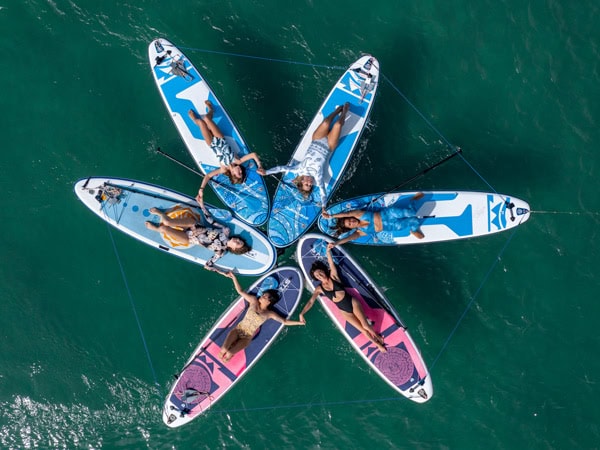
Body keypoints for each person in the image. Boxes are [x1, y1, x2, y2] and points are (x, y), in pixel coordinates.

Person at [259, 102, 350, 209]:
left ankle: (337, 111)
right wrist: (324, 206)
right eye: (310, 185)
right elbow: (323, 192)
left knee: (325, 123)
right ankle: (344, 112)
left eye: (307, 185)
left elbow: (281, 168)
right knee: (338, 125)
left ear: (302, 182)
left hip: (317, 139)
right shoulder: (318, 176)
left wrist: (266, 172)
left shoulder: (298, 170)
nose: (310, 183)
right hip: (329, 145)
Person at [298, 244, 386, 353]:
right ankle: (378, 344)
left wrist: (328, 251)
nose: (320, 275)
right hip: (344, 311)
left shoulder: (333, 276)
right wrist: (302, 313)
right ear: (316, 278)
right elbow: (311, 301)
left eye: (320, 272)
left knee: (365, 325)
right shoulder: (319, 289)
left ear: (324, 271)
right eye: (317, 276)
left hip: (352, 302)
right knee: (362, 330)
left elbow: (331, 263)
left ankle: (377, 336)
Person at [218, 271, 304, 362]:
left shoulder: (269, 314)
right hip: (238, 330)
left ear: (269, 302)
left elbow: (285, 321)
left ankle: (230, 355)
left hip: (247, 337)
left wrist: (300, 322)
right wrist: (234, 277)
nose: (262, 296)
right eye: (263, 295)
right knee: (223, 349)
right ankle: (228, 349)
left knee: (229, 353)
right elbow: (240, 291)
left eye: (264, 296)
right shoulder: (253, 301)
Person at [188, 100, 265, 201]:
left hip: (212, 144)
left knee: (201, 122)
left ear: (233, 174)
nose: (241, 170)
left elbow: (207, 176)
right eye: (242, 172)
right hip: (219, 138)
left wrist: (201, 189)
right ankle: (211, 109)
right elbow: (254, 155)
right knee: (206, 118)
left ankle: (195, 120)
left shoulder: (223, 169)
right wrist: (259, 165)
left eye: (239, 173)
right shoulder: (238, 161)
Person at [144, 206, 250, 269]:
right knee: (167, 222)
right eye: (240, 240)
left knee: (163, 229)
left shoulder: (221, 252)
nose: (238, 240)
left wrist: (221, 272)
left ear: (235, 249)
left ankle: (156, 229)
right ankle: (160, 213)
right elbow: (211, 221)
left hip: (188, 238)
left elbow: (207, 265)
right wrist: (202, 205)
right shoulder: (226, 231)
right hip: (193, 225)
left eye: (239, 243)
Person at [323, 192, 426, 246]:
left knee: (411, 212)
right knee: (414, 221)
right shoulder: (360, 232)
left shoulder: (358, 214)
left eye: (349, 220)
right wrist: (336, 243)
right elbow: (348, 238)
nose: (351, 221)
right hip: (392, 226)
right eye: (350, 224)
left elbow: (347, 213)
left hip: (389, 214)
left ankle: (413, 200)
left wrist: (332, 216)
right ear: (350, 228)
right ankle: (413, 229)